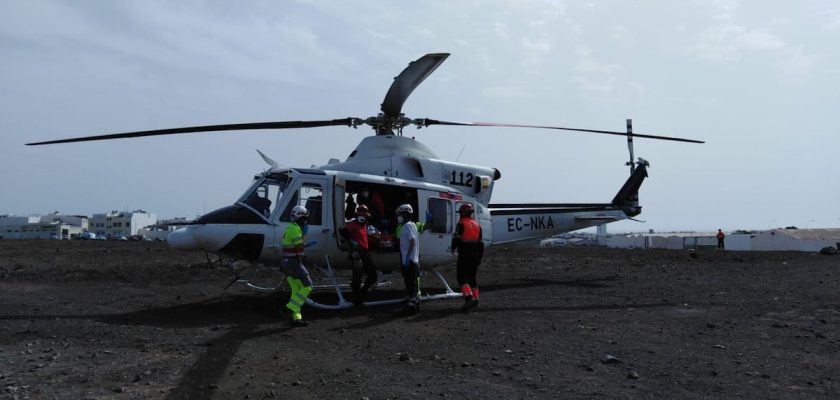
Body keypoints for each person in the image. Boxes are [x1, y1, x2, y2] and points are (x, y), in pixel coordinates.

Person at [282, 205, 313, 327]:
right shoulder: (295, 229)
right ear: (300, 218)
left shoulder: (290, 228)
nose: (306, 222)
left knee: (296, 291)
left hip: (286, 263)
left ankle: (296, 319)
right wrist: (304, 248)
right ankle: (290, 308)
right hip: (293, 263)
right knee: (308, 286)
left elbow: (295, 246)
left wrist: (303, 245)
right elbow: (299, 249)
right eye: (305, 219)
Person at [451, 203, 484, 309]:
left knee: (461, 277)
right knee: (472, 278)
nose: (460, 215)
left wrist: (453, 248)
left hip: (465, 253)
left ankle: (469, 298)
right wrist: (479, 257)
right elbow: (480, 243)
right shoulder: (477, 225)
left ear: (463, 213)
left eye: (460, 213)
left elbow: (457, 238)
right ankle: (476, 299)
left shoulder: (461, 223)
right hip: (475, 253)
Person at [343, 205, 377, 307]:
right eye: (361, 215)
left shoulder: (364, 226)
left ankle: (362, 292)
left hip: (365, 253)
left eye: (365, 216)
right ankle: (356, 300)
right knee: (357, 278)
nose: (363, 217)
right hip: (357, 253)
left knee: (373, 276)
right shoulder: (352, 224)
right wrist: (351, 241)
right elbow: (344, 232)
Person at [397, 204, 420, 313]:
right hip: (411, 259)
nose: (399, 217)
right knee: (412, 283)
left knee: (411, 283)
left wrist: (406, 258)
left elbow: (412, 241)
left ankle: (412, 307)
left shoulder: (407, 226)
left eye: (400, 214)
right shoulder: (412, 225)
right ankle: (414, 304)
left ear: (406, 214)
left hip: (409, 260)